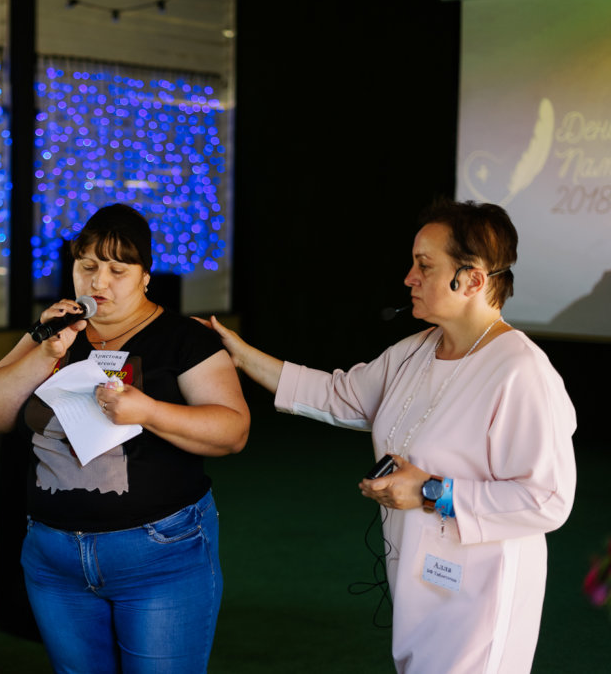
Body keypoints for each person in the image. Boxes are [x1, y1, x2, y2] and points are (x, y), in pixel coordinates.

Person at [198, 198, 576, 673]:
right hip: (418, 577)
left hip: (482, 593)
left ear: (473, 280)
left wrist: (431, 491)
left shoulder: (521, 370)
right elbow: (340, 395)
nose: (409, 278)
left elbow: (548, 499)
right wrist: (240, 354)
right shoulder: (417, 349)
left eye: (424, 266)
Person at [0, 203, 250, 673]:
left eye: (117, 270)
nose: (98, 283)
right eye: (87, 267)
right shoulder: (56, 331)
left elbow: (233, 432)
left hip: (158, 555)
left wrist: (149, 411)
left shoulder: (182, 338)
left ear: (146, 276)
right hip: (54, 558)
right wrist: (45, 353)